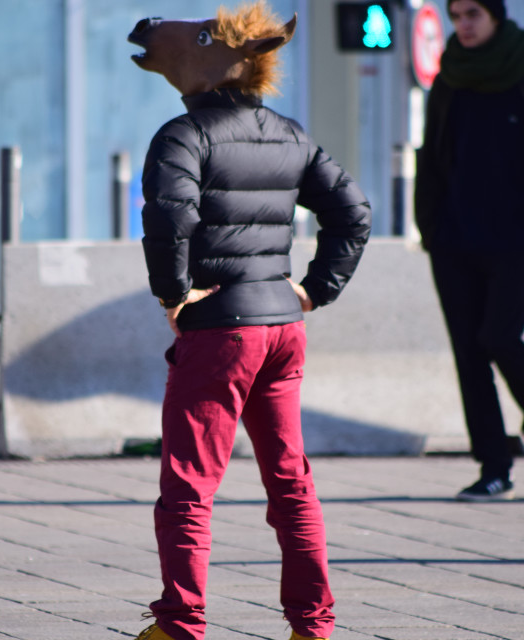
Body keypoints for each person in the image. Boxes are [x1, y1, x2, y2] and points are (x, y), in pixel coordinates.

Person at [127, 2, 371, 639]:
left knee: (188, 485)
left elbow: (169, 218)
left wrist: (171, 295)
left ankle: (179, 624)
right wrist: (315, 292)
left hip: (219, 332)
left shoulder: (182, 136)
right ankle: (313, 627)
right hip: (282, 329)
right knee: (290, 481)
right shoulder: (289, 134)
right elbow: (354, 214)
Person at [415, 0, 524, 501]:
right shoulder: (450, 77)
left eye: (473, 14)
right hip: (452, 236)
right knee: (468, 352)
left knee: (499, 336)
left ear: (496, 16)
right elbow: (432, 152)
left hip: (515, 234)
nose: (462, 25)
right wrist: (428, 223)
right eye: (456, 15)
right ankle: (494, 466)